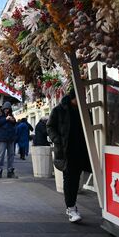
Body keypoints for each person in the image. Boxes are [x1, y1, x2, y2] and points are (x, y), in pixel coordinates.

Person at [46, 89, 91, 223]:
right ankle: (71, 208)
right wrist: (57, 139)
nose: (83, 100)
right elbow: (50, 126)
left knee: (76, 179)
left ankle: (71, 206)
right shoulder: (59, 110)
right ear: (73, 98)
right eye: (80, 98)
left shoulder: (84, 110)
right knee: (69, 179)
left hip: (81, 150)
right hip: (66, 151)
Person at [0, 101, 17, 178]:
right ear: (3, 108)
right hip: (2, 138)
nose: (7, 110)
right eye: (6, 109)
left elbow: (14, 123)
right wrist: (6, 119)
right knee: (1, 155)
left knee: (11, 155)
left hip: (11, 138)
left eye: (8, 109)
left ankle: (10, 171)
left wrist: (13, 120)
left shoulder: (10, 114)